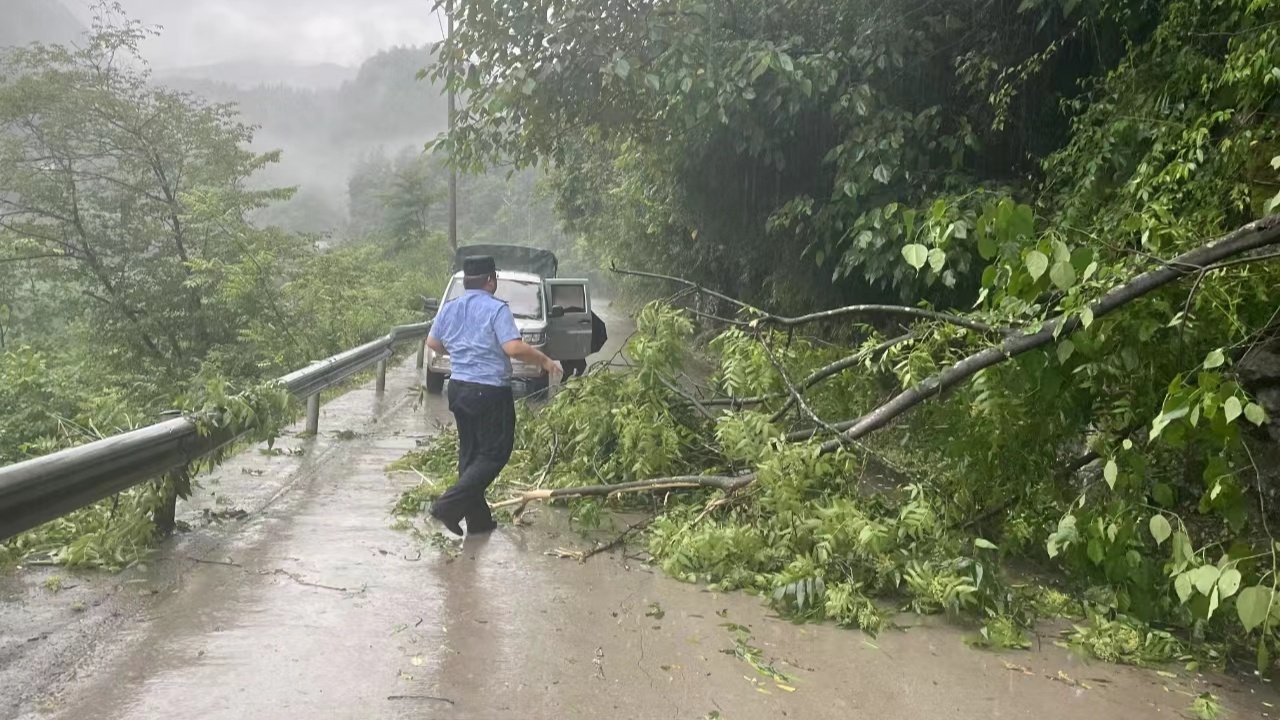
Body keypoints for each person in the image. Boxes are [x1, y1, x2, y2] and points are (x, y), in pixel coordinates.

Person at [424, 255, 561, 535]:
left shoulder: (450, 308)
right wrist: (545, 361)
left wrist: (464, 353)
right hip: (489, 391)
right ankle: (447, 506)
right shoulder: (496, 309)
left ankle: (479, 521)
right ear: (490, 280)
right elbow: (513, 348)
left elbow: (433, 342)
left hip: (459, 387)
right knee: (496, 452)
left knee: (471, 453)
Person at [561, 310, 608, 381]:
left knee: (578, 367)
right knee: (570, 370)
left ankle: (572, 382)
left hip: (575, 349)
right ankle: (568, 383)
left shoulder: (582, 314)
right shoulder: (576, 314)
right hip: (569, 350)